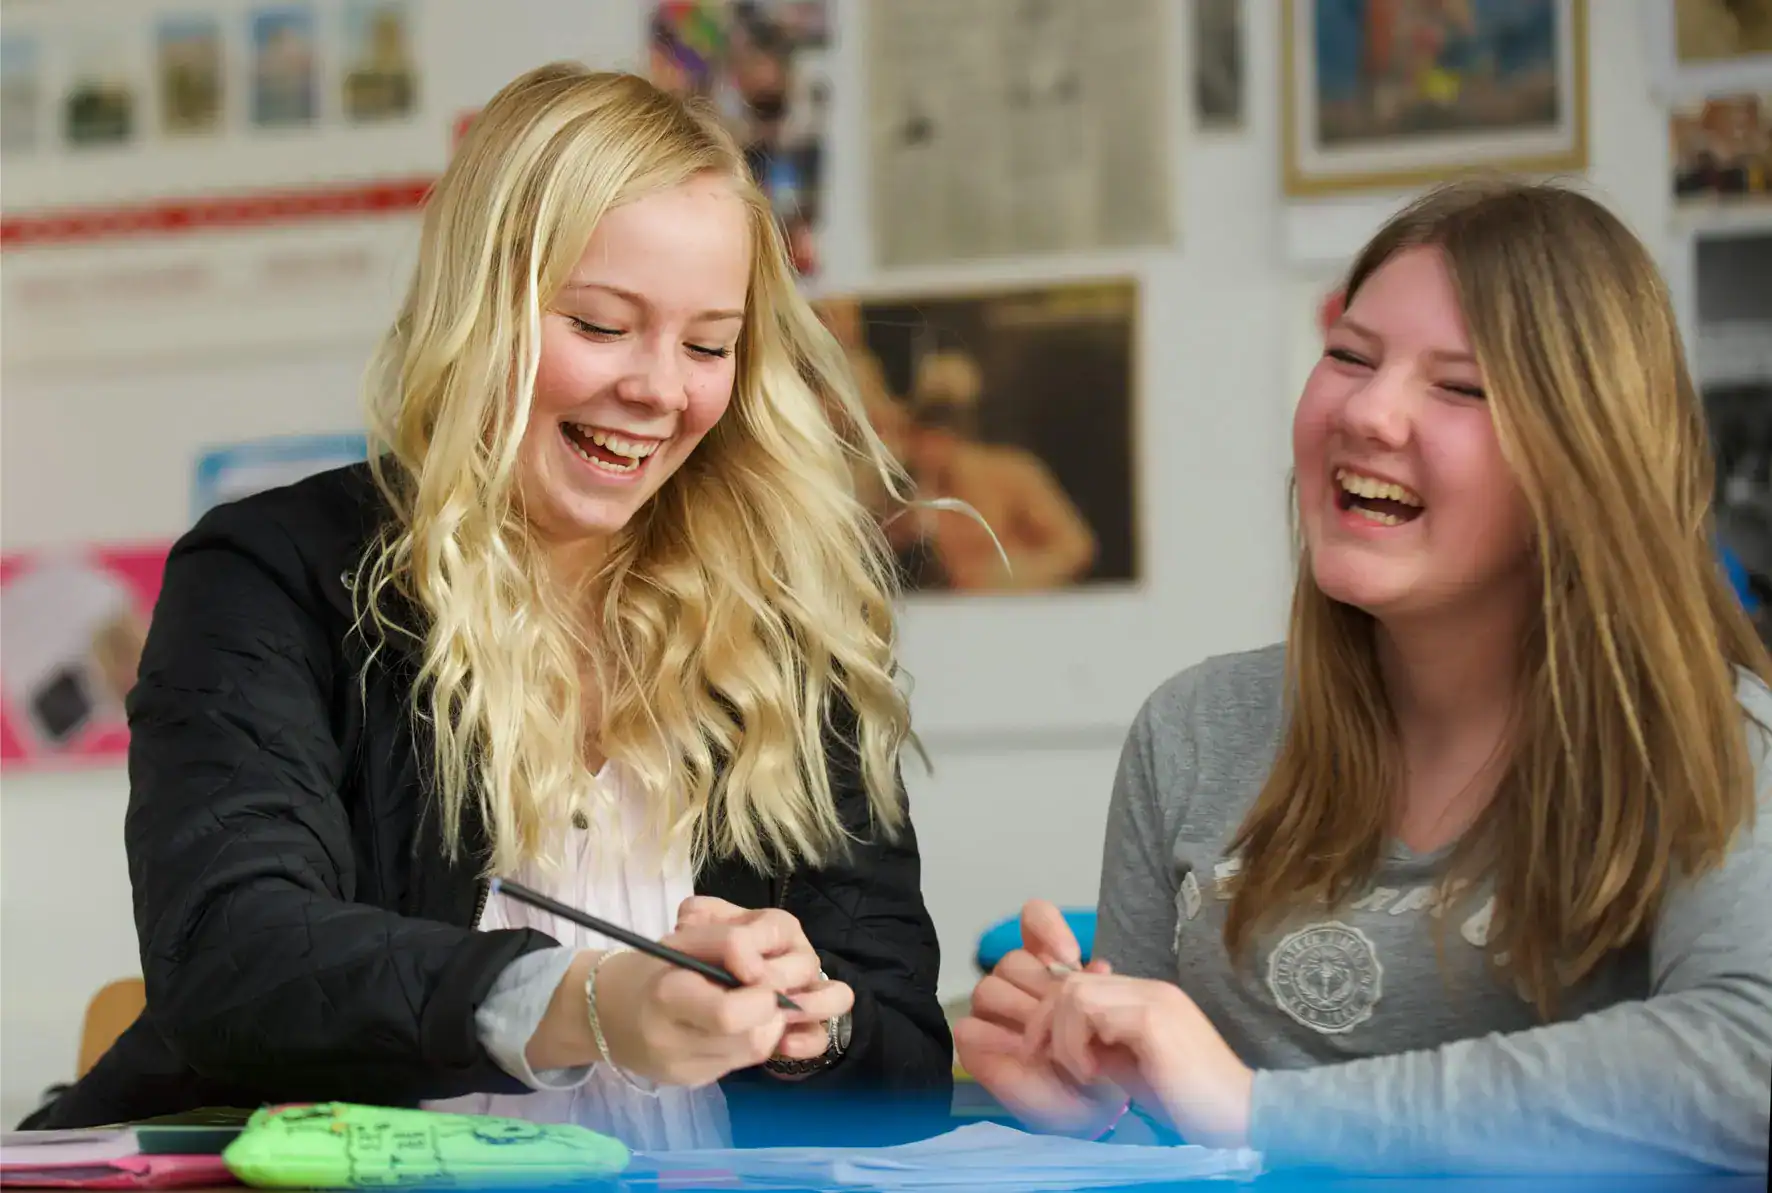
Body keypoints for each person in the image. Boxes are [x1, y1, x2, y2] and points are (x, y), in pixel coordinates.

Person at [26, 64, 952, 1149]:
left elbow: (903, 1062)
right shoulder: (271, 573)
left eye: (708, 344)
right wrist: (584, 1001)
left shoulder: (781, 627)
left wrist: (811, 1030)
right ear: (478, 309)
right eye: (601, 325)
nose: (661, 388)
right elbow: (238, 954)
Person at [955, 179, 1772, 1174]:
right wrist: (1091, 1104)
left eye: (1460, 387)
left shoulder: (1718, 744)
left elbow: (1745, 1064)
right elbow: (1170, 1143)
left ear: (1586, 461)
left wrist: (1256, 1106)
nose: (1370, 411)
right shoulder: (1191, 731)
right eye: (1348, 356)